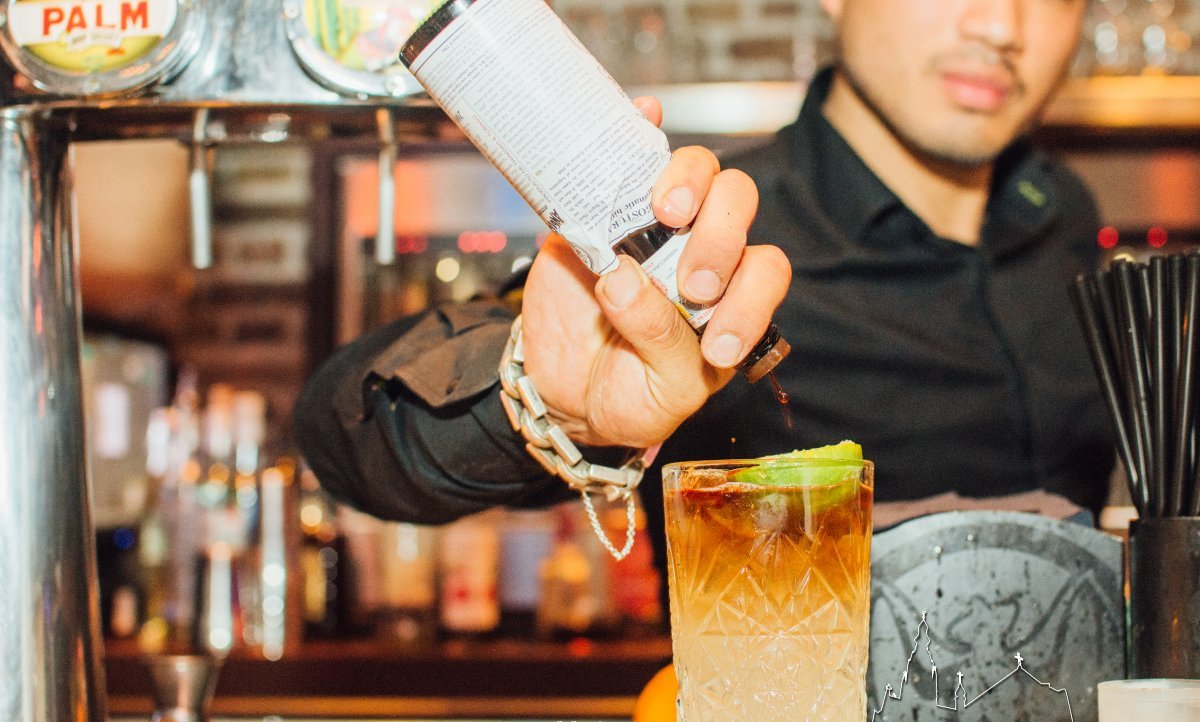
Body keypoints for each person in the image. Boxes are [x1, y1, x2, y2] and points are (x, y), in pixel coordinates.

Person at [294, 0, 1115, 577]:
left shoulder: (1073, 226)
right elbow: (345, 435)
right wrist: (537, 401)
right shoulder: (703, 243)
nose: (1002, 26)